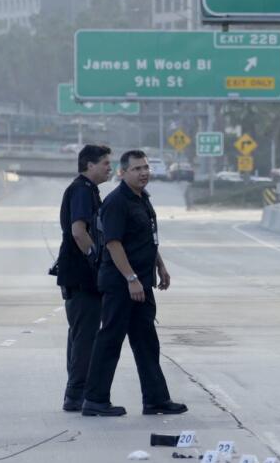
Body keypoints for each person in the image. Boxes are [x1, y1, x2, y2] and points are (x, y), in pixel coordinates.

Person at [81, 150, 186, 417]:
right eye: (136, 168)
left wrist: (160, 266)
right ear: (123, 172)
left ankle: (155, 400)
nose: (143, 173)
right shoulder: (117, 202)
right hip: (121, 284)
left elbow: (147, 239)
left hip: (141, 283)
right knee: (111, 339)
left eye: (146, 168)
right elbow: (114, 244)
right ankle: (94, 400)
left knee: (146, 341)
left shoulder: (143, 199)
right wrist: (131, 279)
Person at [57, 144, 111, 412]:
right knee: (85, 337)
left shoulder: (89, 190)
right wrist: (97, 259)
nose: (109, 168)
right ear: (89, 165)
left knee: (80, 336)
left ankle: (76, 392)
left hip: (79, 275)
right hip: (81, 275)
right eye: (105, 163)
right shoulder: (81, 190)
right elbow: (79, 231)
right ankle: (76, 395)